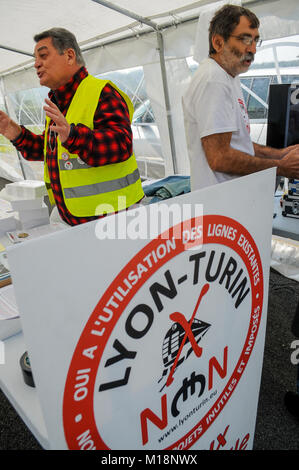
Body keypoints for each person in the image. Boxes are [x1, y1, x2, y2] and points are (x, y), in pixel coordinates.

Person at [0, 28, 144, 225]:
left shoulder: (102, 92)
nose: (36, 64)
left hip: (115, 219)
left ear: (69, 56)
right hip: (74, 219)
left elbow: (120, 145)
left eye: (43, 55)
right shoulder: (58, 103)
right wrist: (14, 132)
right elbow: (47, 149)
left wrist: (73, 136)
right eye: (35, 58)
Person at [182, 4, 299, 191]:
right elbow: (220, 157)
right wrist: (281, 166)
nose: (252, 49)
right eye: (245, 39)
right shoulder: (214, 79)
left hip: (231, 200)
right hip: (221, 205)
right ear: (218, 43)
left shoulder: (227, 78)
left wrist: (279, 154)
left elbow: (238, 143)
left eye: (255, 41)